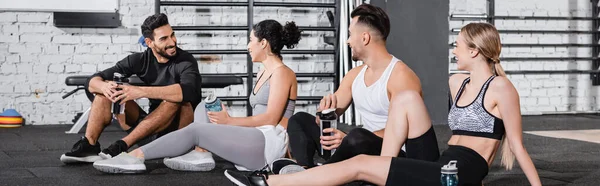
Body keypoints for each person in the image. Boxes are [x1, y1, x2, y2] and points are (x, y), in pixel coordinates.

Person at [224, 22, 542, 186]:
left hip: (459, 174)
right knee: (405, 99)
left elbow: (517, 146)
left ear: (474, 51)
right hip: (444, 163)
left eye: (457, 45)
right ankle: (383, 173)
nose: (453, 49)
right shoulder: (455, 82)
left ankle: (271, 182)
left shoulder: (501, 88)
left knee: (360, 163)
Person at [91, 19, 302, 173]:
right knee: (204, 107)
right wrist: (223, 118)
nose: (248, 46)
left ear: (263, 43)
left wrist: (229, 121)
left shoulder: (282, 73)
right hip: (256, 139)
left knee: (196, 130)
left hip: (267, 146)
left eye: (251, 40)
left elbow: (271, 119)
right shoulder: (263, 71)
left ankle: (134, 157)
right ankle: (201, 154)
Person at [285, 4, 438, 169]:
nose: (348, 41)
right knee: (299, 119)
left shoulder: (401, 76)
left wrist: (347, 139)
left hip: (392, 152)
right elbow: (328, 115)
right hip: (356, 145)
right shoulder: (355, 75)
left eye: (350, 34)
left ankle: (321, 173)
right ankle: (305, 168)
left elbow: (404, 131)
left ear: (365, 38)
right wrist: (323, 113)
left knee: (357, 137)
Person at [60, 13, 202, 163]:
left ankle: (122, 145)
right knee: (107, 90)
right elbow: (93, 80)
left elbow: (189, 92)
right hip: (149, 129)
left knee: (176, 100)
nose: (172, 42)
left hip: (176, 134)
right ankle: (90, 145)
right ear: (149, 42)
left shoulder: (185, 61)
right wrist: (105, 87)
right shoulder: (139, 60)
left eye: (172, 35)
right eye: (164, 39)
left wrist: (140, 91)